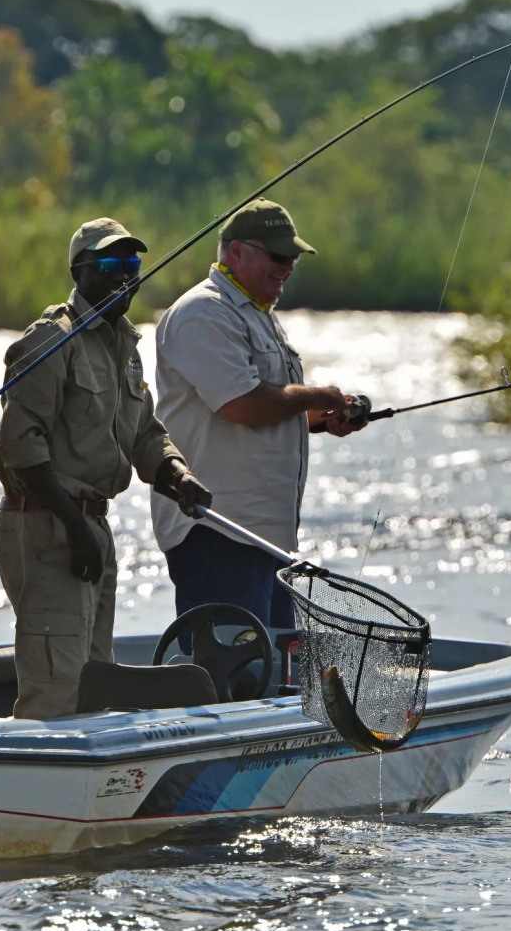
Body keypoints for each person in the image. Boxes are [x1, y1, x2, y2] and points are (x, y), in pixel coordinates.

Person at [0, 217, 211, 720]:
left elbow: (145, 434)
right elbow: (20, 450)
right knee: (57, 684)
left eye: (131, 264)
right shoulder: (50, 339)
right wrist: (73, 525)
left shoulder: (125, 346)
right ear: (78, 271)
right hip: (48, 525)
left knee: (95, 677)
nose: (122, 276)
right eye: (108, 264)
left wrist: (177, 474)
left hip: (92, 526)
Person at [151, 198, 366, 637]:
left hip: (267, 540)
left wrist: (324, 418)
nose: (288, 267)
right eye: (278, 256)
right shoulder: (202, 313)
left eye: (293, 258)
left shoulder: (256, 314)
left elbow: (266, 410)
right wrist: (320, 394)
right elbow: (241, 404)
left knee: (269, 675)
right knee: (229, 679)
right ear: (236, 253)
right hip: (218, 534)